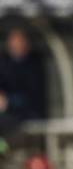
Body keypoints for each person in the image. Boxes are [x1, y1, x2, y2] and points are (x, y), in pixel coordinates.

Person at [0, 27, 47, 155]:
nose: (16, 45)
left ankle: (3, 151)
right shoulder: (4, 62)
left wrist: (9, 101)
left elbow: (33, 95)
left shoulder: (35, 64)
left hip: (27, 113)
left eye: (19, 41)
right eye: (13, 41)